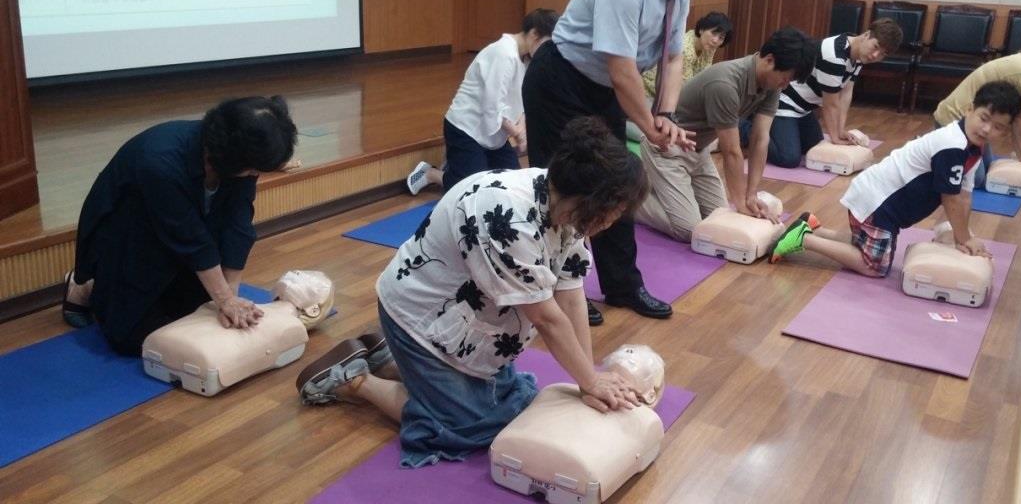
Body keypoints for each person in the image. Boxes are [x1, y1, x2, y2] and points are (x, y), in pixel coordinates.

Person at [296, 117, 648, 468]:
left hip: (465, 326)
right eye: (611, 212)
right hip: (419, 316)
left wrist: (588, 378)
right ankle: (353, 380)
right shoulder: (509, 213)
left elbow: (570, 294)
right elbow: (547, 318)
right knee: (467, 426)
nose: (610, 223)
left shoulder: (564, 209)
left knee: (513, 403)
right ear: (588, 198)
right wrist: (589, 381)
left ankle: (388, 360)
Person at [522, 0, 740, 325]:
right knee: (560, 188)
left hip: (603, 86)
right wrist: (648, 127)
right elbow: (622, 71)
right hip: (560, 82)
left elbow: (674, 57)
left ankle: (622, 285)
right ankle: (556, 289)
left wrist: (668, 115)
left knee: (621, 182)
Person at [61, 96, 299, 356]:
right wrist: (225, 301)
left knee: (196, 315)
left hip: (180, 233)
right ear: (232, 158)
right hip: (132, 232)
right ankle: (85, 285)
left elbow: (238, 225)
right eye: (254, 170)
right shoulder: (160, 161)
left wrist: (229, 297)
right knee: (137, 339)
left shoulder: (237, 156)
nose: (256, 176)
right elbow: (190, 238)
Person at [769, 81, 1021, 277]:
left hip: (880, 201)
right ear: (969, 109)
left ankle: (814, 227)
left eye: (999, 127)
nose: (987, 129)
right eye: (984, 118)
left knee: (863, 244)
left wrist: (964, 236)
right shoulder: (953, 146)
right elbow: (952, 199)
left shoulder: (972, 147)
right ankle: (804, 239)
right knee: (874, 266)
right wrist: (964, 239)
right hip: (879, 203)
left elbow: (966, 194)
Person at [636, 27, 816, 241]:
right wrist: (740, 203)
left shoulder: (772, 84)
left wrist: (751, 195)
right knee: (691, 231)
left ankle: (664, 191)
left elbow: (760, 140)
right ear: (769, 60)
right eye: (785, 78)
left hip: (698, 151)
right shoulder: (726, 83)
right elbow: (731, 151)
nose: (785, 85)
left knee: (716, 219)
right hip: (667, 149)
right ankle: (627, 198)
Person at [407, 9, 559, 194]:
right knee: (471, 189)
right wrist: (517, 133)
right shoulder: (503, 53)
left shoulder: (528, 61)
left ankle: (460, 163)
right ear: (534, 34)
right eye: (547, 43)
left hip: (494, 134)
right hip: (466, 128)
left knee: (512, 186)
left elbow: (524, 100)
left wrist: (521, 129)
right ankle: (431, 173)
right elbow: (491, 106)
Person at [933, 30, 1021, 187]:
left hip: (974, 122)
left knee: (988, 170)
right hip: (953, 120)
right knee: (977, 180)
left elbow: (1015, 115)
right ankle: (932, 150)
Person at [755, 19, 903, 167]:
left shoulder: (858, 55)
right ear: (866, 35)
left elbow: (846, 94)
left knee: (812, 149)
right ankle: (747, 127)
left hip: (804, 110)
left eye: (882, 54)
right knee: (789, 158)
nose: (875, 56)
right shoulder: (834, 54)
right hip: (783, 103)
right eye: (875, 47)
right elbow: (830, 103)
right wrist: (835, 137)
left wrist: (840, 130)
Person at [628, 11, 734, 142]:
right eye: (713, 33)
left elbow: (703, 78)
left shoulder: (708, 47)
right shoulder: (685, 48)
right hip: (649, 92)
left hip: (673, 97)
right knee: (656, 136)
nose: (716, 40)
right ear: (701, 29)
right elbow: (685, 91)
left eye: (721, 38)